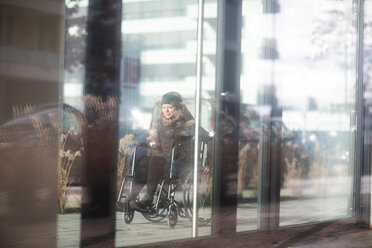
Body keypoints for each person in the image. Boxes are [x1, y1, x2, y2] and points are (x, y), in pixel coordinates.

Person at [126, 92, 211, 210]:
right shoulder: (161, 123)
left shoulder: (188, 124)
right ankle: (130, 200)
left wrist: (208, 162)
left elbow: (210, 139)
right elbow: (158, 145)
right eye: (164, 107)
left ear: (178, 108)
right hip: (164, 161)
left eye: (170, 107)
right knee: (145, 160)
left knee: (155, 160)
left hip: (181, 164)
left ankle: (148, 199)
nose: (166, 110)